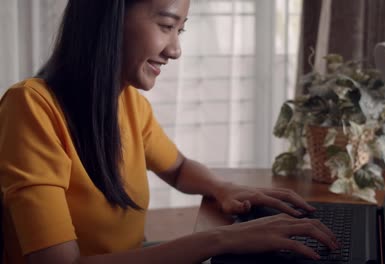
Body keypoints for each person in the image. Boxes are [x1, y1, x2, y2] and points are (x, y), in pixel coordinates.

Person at [0, 0, 339, 263]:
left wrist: (224, 188)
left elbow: (177, 168)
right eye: (166, 25)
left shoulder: (129, 102)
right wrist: (222, 239)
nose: (175, 50)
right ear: (109, 16)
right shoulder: (31, 107)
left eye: (181, 31)